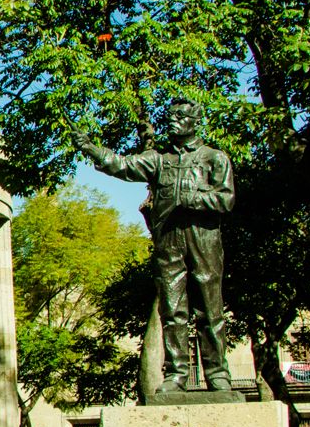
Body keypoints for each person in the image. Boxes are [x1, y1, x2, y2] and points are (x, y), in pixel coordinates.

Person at [76, 100, 235, 394]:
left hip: (204, 239)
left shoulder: (215, 158)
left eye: (180, 116)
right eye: (170, 116)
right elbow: (122, 165)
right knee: (172, 309)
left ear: (195, 122)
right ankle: (176, 373)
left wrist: (195, 199)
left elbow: (226, 199)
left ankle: (217, 373)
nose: (173, 121)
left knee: (209, 309)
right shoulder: (159, 160)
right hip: (168, 241)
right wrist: (90, 148)